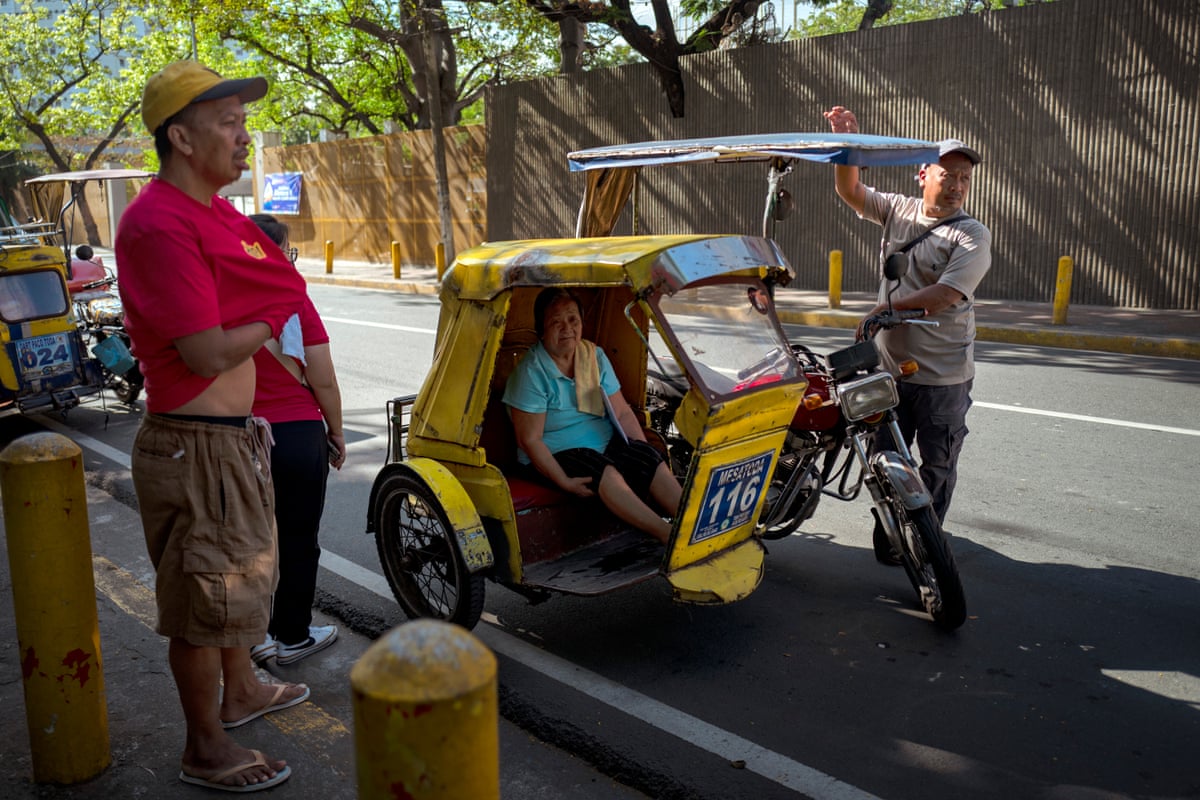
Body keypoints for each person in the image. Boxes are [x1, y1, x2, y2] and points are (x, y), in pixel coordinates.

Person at [115, 60, 311, 792]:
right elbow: (205, 351)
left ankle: (243, 693)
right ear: (181, 137)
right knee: (203, 603)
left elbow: (269, 280)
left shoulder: (218, 213)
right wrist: (274, 312)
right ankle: (204, 747)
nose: (243, 132)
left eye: (241, 118)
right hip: (191, 443)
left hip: (230, 438)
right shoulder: (159, 222)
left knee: (238, 581)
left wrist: (271, 300)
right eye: (227, 122)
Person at [823, 105, 992, 561]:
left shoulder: (972, 235)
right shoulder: (898, 211)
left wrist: (886, 307)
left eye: (964, 179)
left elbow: (946, 293)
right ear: (924, 175)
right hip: (888, 370)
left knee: (937, 464)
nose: (956, 186)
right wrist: (848, 143)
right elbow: (851, 188)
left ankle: (926, 540)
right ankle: (891, 527)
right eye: (948, 175)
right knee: (883, 457)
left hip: (943, 375)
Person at [503, 288, 682, 543]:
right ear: (542, 330)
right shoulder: (531, 372)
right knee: (599, 468)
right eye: (556, 322)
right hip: (552, 456)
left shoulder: (593, 355)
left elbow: (621, 412)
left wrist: (638, 447)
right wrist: (564, 481)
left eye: (573, 320)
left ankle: (691, 525)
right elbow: (530, 441)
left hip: (601, 445)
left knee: (645, 455)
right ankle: (666, 535)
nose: (567, 328)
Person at [247, 213, 344, 666]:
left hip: (241, 437)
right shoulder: (294, 302)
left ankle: (251, 636)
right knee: (298, 538)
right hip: (298, 437)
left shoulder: (221, 301)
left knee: (246, 542)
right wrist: (337, 432)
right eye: (288, 250)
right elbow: (322, 378)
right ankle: (292, 635)